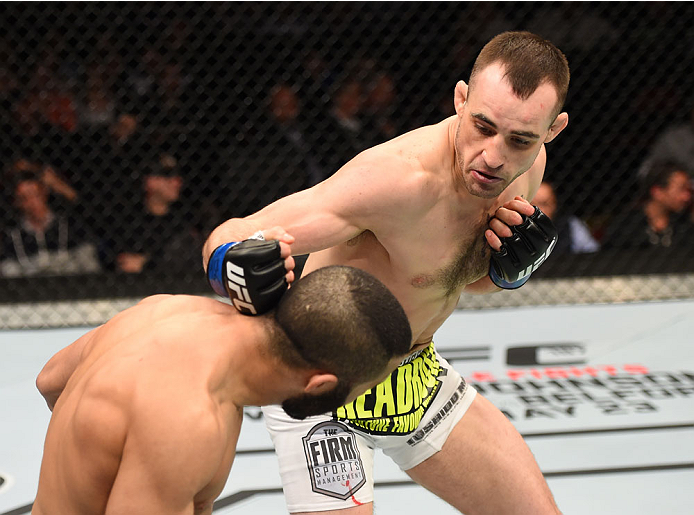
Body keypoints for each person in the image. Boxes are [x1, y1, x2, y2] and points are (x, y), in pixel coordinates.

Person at [203, 31, 569, 514]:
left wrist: (508, 272)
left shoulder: (528, 167)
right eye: (482, 126)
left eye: (520, 139)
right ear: (461, 100)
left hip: (413, 377)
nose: (494, 156)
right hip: (325, 383)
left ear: (552, 130)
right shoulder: (398, 180)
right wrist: (227, 262)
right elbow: (236, 234)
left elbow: (458, 279)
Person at [33, 264, 413, 515]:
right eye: (362, 389)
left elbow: (50, 379)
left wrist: (101, 444)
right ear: (320, 385)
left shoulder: (169, 310)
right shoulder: (187, 423)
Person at [602, 161, 693, 250]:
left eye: (688, 190)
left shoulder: (684, 224)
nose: (687, 196)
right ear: (657, 192)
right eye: (681, 190)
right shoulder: (626, 227)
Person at [531, 180, 600, 254]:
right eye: (532, 204)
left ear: (554, 205)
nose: (538, 209)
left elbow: (593, 252)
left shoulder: (571, 226)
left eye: (544, 204)